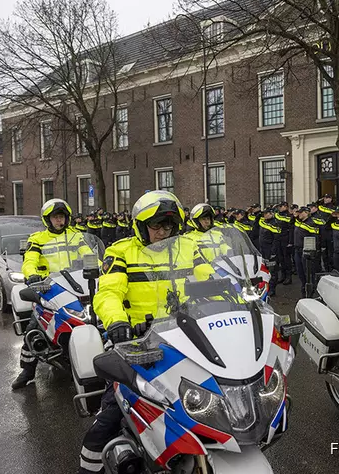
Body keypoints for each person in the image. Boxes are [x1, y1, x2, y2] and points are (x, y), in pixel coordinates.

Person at [77, 190, 212, 474]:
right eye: (155, 226)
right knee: (109, 417)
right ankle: (89, 468)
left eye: (168, 225)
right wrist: (117, 323)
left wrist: (238, 303)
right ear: (141, 226)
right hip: (137, 344)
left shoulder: (189, 248)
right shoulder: (121, 251)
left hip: (187, 340)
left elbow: (212, 281)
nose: (162, 232)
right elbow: (108, 293)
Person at [12, 199, 93, 390]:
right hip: (49, 286)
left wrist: (96, 266)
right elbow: (29, 260)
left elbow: (88, 254)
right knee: (34, 327)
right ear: (47, 219)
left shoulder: (76, 236)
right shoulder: (37, 239)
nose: (60, 221)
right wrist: (31, 275)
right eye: (56, 217)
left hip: (76, 283)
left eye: (62, 217)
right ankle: (27, 369)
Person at [294, 206, 320, 297]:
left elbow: (315, 238)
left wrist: (312, 251)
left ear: (306, 213)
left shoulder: (311, 223)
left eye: (301, 212)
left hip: (306, 251)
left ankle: (310, 290)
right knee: (300, 271)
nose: (299, 214)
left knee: (308, 272)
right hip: (297, 250)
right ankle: (303, 287)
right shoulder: (298, 222)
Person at [258, 207, 282, 297]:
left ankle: (272, 289)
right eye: (263, 214)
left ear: (271, 213)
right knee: (264, 270)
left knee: (272, 271)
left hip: (270, 250)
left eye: (266, 213)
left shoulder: (275, 224)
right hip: (263, 250)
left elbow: (276, 240)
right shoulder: (264, 223)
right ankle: (265, 287)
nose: (264, 215)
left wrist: (273, 252)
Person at [274, 201, 294, 285]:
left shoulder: (289, 216)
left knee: (287, 259)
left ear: (285, 206)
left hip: (285, 239)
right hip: (278, 239)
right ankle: (283, 275)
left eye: (281, 206)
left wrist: (290, 241)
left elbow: (291, 230)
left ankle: (288, 277)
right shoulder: (278, 215)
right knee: (280, 258)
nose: (279, 208)